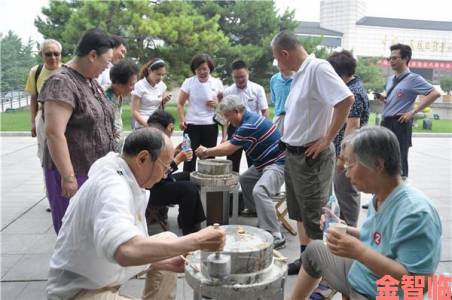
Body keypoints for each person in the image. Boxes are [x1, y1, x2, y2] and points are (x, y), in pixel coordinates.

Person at [46, 128, 225, 299]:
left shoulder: (125, 175)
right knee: (172, 245)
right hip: (78, 292)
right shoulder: (112, 187)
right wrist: (197, 240)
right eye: (164, 167)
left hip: (101, 275)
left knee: (168, 239)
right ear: (142, 159)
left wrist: (163, 262)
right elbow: (126, 250)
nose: (164, 176)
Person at [288, 126, 442, 300]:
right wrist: (346, 230)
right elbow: (381, 240)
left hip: (378, 292)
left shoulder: (416, 213)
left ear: (378, 165)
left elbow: (418, 282)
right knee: (314, 250)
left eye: (350, 164)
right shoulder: (381, 195)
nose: (346, 173)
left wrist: (359, 251)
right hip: (360, 274)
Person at [271, 31, 354, 275]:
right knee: (299, 211)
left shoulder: (318, 69)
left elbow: (345, 100)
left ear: (285, 54)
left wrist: (327, 138)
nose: (277, 63)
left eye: (277, 58)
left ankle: (326, 270)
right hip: (294, 154)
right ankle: (308, 259)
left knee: (316, 215)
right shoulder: (301, 74)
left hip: (311, 157)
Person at [38, 29, 116, 234]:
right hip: (74, 172)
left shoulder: (90, 80)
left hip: (93, 170)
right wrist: (69, 177)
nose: (106, 68)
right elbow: (54, 133)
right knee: (72, 232)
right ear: (92, 55)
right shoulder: (61, 83)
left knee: (91, 233)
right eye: (105, 62)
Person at [195, 95, 286, 249]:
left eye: (228, 116)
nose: (227, 120)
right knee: (245, 179)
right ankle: (256, 210)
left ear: (236, 111)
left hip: (279, 163)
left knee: (260, 191)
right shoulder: (247, 119)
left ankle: (275, 234)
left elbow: (229, 148)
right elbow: (231, 143)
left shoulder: (249, 124)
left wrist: (206, 151)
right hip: (263, 163)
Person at [375, 43, 440, 179]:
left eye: (395, 58)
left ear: (405, 59)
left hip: (400, 123)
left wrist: (413, 112)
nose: (391, 61)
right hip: (386, 122)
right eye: (390, 58)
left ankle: (400, 191)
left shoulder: (414, 79)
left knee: (399, 160)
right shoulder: (391, 79)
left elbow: (435, 93)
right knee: (383, 158)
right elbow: (392, 99)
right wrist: (383, 98)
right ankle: (382, 194)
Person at [327, 50, 369, 227]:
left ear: (339, 73)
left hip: (348, 154)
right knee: (344, 191)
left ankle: (350, 230)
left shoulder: (354, 92)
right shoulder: (351, 88)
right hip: (345, 151)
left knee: (347, 191)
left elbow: (352, 126)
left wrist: (343, 158)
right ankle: (345, 227)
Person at [146, 110, 206, 235]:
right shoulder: (151, 143)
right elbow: (158, 175)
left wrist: (174, 152)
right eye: (171, 128)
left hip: (158, 183)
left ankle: (189, 220)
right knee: (189, 189)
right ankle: (188, 229)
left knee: (190, 176)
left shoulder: (155, 139)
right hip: (150, 190)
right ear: (166, 127)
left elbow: (161, 166)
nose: (172, 132)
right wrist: (178, 159)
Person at [177, 53, 224, 172]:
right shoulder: (189, 82)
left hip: (210, 125)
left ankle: (207, 185)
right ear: (194, 70)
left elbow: (224, 105)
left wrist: (217, 104)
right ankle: (188, 185)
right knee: (188, 157)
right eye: (199, 69)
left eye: (205, 69)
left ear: (210, 68)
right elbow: (180, 104)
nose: (202, 72)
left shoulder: (216, 82)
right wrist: (182, 119)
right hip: (192, 125)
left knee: (209, 158)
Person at [223, 60, 268, 172]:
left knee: (254, 164)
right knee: (232, 163)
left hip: (253, 129)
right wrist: (224, 137)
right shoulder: (228, 91)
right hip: (235, 129)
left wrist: (263, 133)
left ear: (248, 73)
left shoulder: (258, 89)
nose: (240, 80)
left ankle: (253, 188)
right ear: (232, 76)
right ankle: (232, 189)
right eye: (236, 77)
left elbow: (264, 111)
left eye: (242, 76)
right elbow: (225, 116)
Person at [25, 39, 62, 163]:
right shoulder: (35, 72)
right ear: (42, 55)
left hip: (64, 116)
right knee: (45, 153)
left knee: (64, 151)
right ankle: (48, 181)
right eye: (48, 54)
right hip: (43, 116)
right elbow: (34, 97)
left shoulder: (67, 71)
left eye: (56, 54)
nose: (53, 57)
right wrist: (33, 122)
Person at [105, 60, 139, 151]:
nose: (133, 88)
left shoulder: (119, 95)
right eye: (131, 84)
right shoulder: (104, 98)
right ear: (118, 83)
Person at [131, 58, 171, 129]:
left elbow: (160, 109)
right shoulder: (139, 85)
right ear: (149, 71)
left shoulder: (162, 86)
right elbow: (135, 112)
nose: (161, 78)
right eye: (158, 74)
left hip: (157, 124)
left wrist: (163, 102)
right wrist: (148, 125)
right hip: (142, 125)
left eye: (163, 75)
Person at [270, 67, 293, 134]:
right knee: (277, 142)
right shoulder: (274, 79)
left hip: (294, 117)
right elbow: (274, 100)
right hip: (279, 117)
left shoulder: (298, 78)